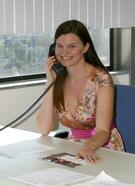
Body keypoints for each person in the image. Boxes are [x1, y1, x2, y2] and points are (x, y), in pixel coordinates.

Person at [36, 19, 124, 163]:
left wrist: (88, 147)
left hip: (101, 148)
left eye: (72, 46)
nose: (64, 52)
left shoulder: (101, 79)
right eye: (59, 46)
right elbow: (44, 129)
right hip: (74, 149)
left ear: (85, 47)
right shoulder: (58, 80)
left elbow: (103, 131)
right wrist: (50, 81)